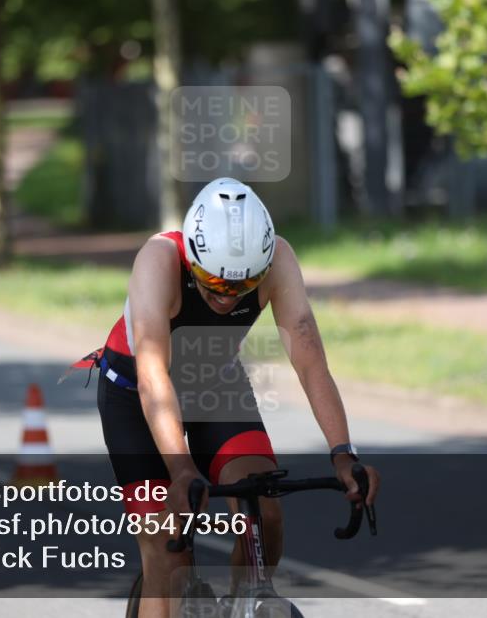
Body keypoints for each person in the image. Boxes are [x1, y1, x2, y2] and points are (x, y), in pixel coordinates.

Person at [94, 177, 380, 617]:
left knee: (264, 513)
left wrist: (343, 454)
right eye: (212, 285)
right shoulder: (158, 259)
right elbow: (154, 376)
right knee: (168, 553)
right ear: (191, 257)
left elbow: (310, 363)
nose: (226, 300)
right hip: (137, 393)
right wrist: (181, 469)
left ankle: (245, 603)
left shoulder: (279, 258)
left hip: (214, 385)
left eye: (242, 288)